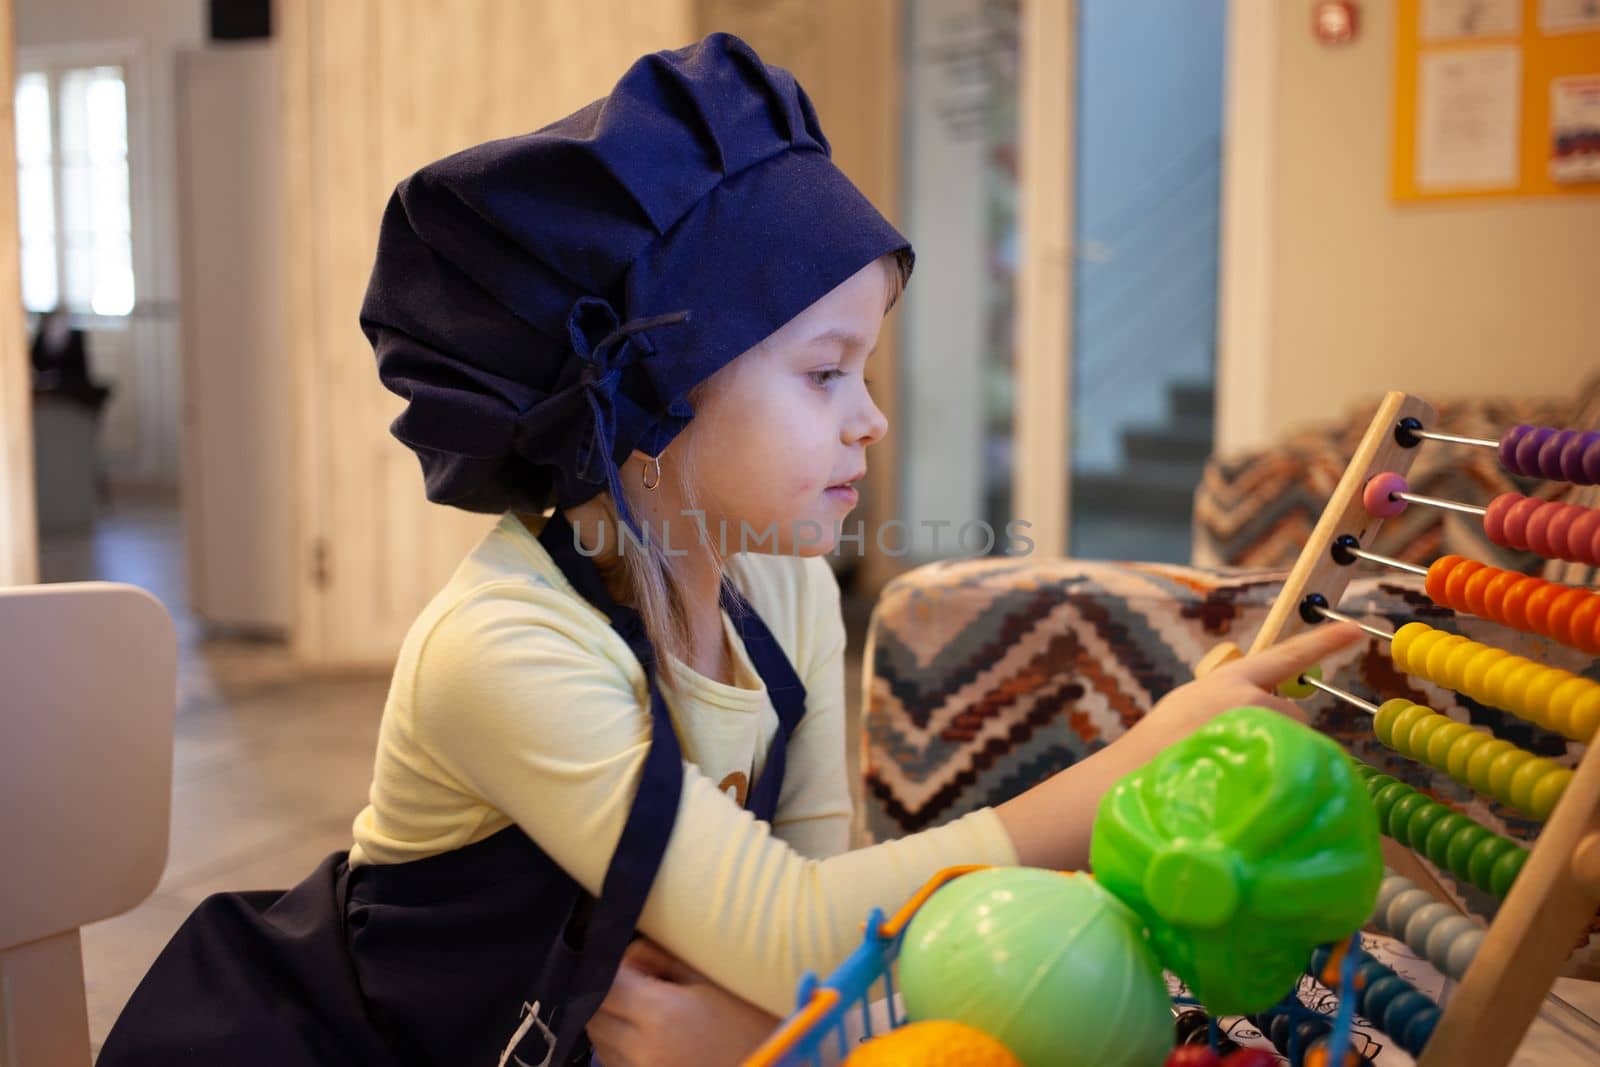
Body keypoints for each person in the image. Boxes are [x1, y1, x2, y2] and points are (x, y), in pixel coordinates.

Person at [97, 32, 1360, 1067]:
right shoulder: (505, 645)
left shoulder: (789, 591)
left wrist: (764, 1026)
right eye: (824, 372)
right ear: (656, 400)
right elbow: (794, 929)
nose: (870, 417)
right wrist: (1133, 761)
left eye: (861, 368)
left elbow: (819, 904)